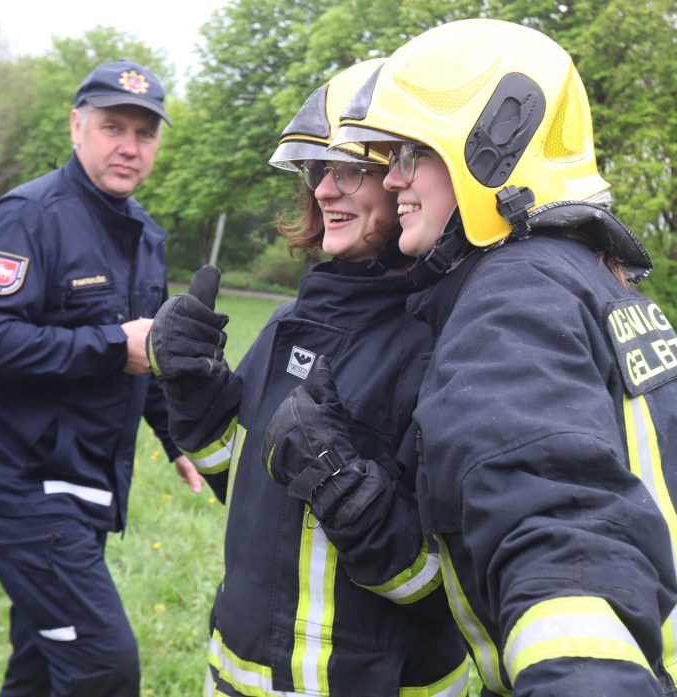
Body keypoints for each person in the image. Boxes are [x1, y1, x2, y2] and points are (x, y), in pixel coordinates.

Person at [266, 19, 677, 697]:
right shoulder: (584, 276)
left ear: (490, 149)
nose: (390, 181)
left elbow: (558, 537)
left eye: (410, 154)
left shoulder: (512, 300)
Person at [148, 59, 468, 697]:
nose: (323, 191)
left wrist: (347, 491)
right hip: (239, 672)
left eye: (350, 168)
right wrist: (195, 391)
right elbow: (238, 479)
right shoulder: (291, 320)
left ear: (405, 175)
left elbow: (446, 585)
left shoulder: (443, 341)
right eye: (317, 170)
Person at [0, 59, 202, 696]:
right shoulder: (26, 218)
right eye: (113, 127)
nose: (129, 146)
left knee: (38, 664)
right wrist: (112, 346)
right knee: (101, 666)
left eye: (144, 134)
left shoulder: (145, 233)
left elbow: (149, 346)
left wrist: (176, 441)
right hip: (23, 485)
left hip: (89, 480)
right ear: (76, 126)